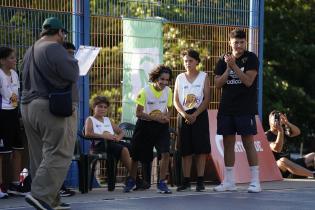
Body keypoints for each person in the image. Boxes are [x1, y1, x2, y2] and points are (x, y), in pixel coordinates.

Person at [20, 17, 79, 210]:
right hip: (50, 106)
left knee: (40, 155)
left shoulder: (31, 50)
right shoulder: (54, 48)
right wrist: (73, 60)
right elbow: (72, 73)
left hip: (28, 105)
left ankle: (51, 200)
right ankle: (41, 195)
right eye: (64, 34)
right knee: (59, 152)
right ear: (60, 32)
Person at [213, 28, 261, 193]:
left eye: (242, 42)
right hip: (226, 108)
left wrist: (234, 66)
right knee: (228, 144)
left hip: (245, 108)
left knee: (248, 143)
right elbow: (218, 84)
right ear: (230, 43)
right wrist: (228, 67)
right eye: (236, 42)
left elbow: (248, 81)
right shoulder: (223, 59)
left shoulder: (251, 58)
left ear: (245, 42)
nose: (239, 45)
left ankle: (255, 181)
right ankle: (229, 181)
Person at [123, 65, 173, 194]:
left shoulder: (168, 91)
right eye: (162, 79)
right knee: (136, 156)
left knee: (166, 153)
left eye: (167, 80)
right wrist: (155, 118)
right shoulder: (144, 91)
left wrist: (167, 117)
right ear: (156, 78)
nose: (164, 82)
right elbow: (138, 113)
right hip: (144, 126)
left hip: (161, 127)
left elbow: (170, 108)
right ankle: (132, 180)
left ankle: (162, 183)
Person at [174, 49, 211, 192]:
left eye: (190, 60)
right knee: (185, 150)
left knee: (201, 150)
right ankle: (186, 181)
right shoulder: (179, 77)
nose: (187, 63)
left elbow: (207, 98)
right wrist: (184, 114)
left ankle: (200, 181)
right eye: (185, 61)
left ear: (197, 61)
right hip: (183, 116)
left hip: (199, 115)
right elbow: (176, 100)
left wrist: (195, 114)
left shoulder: (204, 76)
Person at [84, 95, 133, 184]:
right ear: (94, 107)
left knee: (134, 148)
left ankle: (132, 178)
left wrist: (118, 137)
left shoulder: (107, 120)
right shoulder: (90, 119)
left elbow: (121, 132)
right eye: (100, 106)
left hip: (113, 143)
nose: (102, 109)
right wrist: (104, 136)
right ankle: (135, 179)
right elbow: (87, 134)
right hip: (100, 145)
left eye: (105, 107)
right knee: (124, 149)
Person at [0, 47, 25, 198]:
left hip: (14, 113)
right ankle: (1, 186)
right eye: (11, 58)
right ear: (2, 61)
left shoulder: (15, 74)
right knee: (2, 153)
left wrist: (17, 110)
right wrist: (13, 103)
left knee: (19, 149)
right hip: (2, 115)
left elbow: (16, 94)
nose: (15, 60)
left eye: (15, 57)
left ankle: (17, 183)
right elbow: (7, 95)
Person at [266, 110, 315, 178]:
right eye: (275, 118)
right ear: (269, 121)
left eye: (279, 118)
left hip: (291, 163)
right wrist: (280, 132)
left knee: (312, 155)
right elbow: (277, 149)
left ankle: (301, 172)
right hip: (279, 168)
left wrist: (287, 123)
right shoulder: (266, 136)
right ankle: (312, 174)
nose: (277, 120)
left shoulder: (283, 130)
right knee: (283, 160)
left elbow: (297, 132)